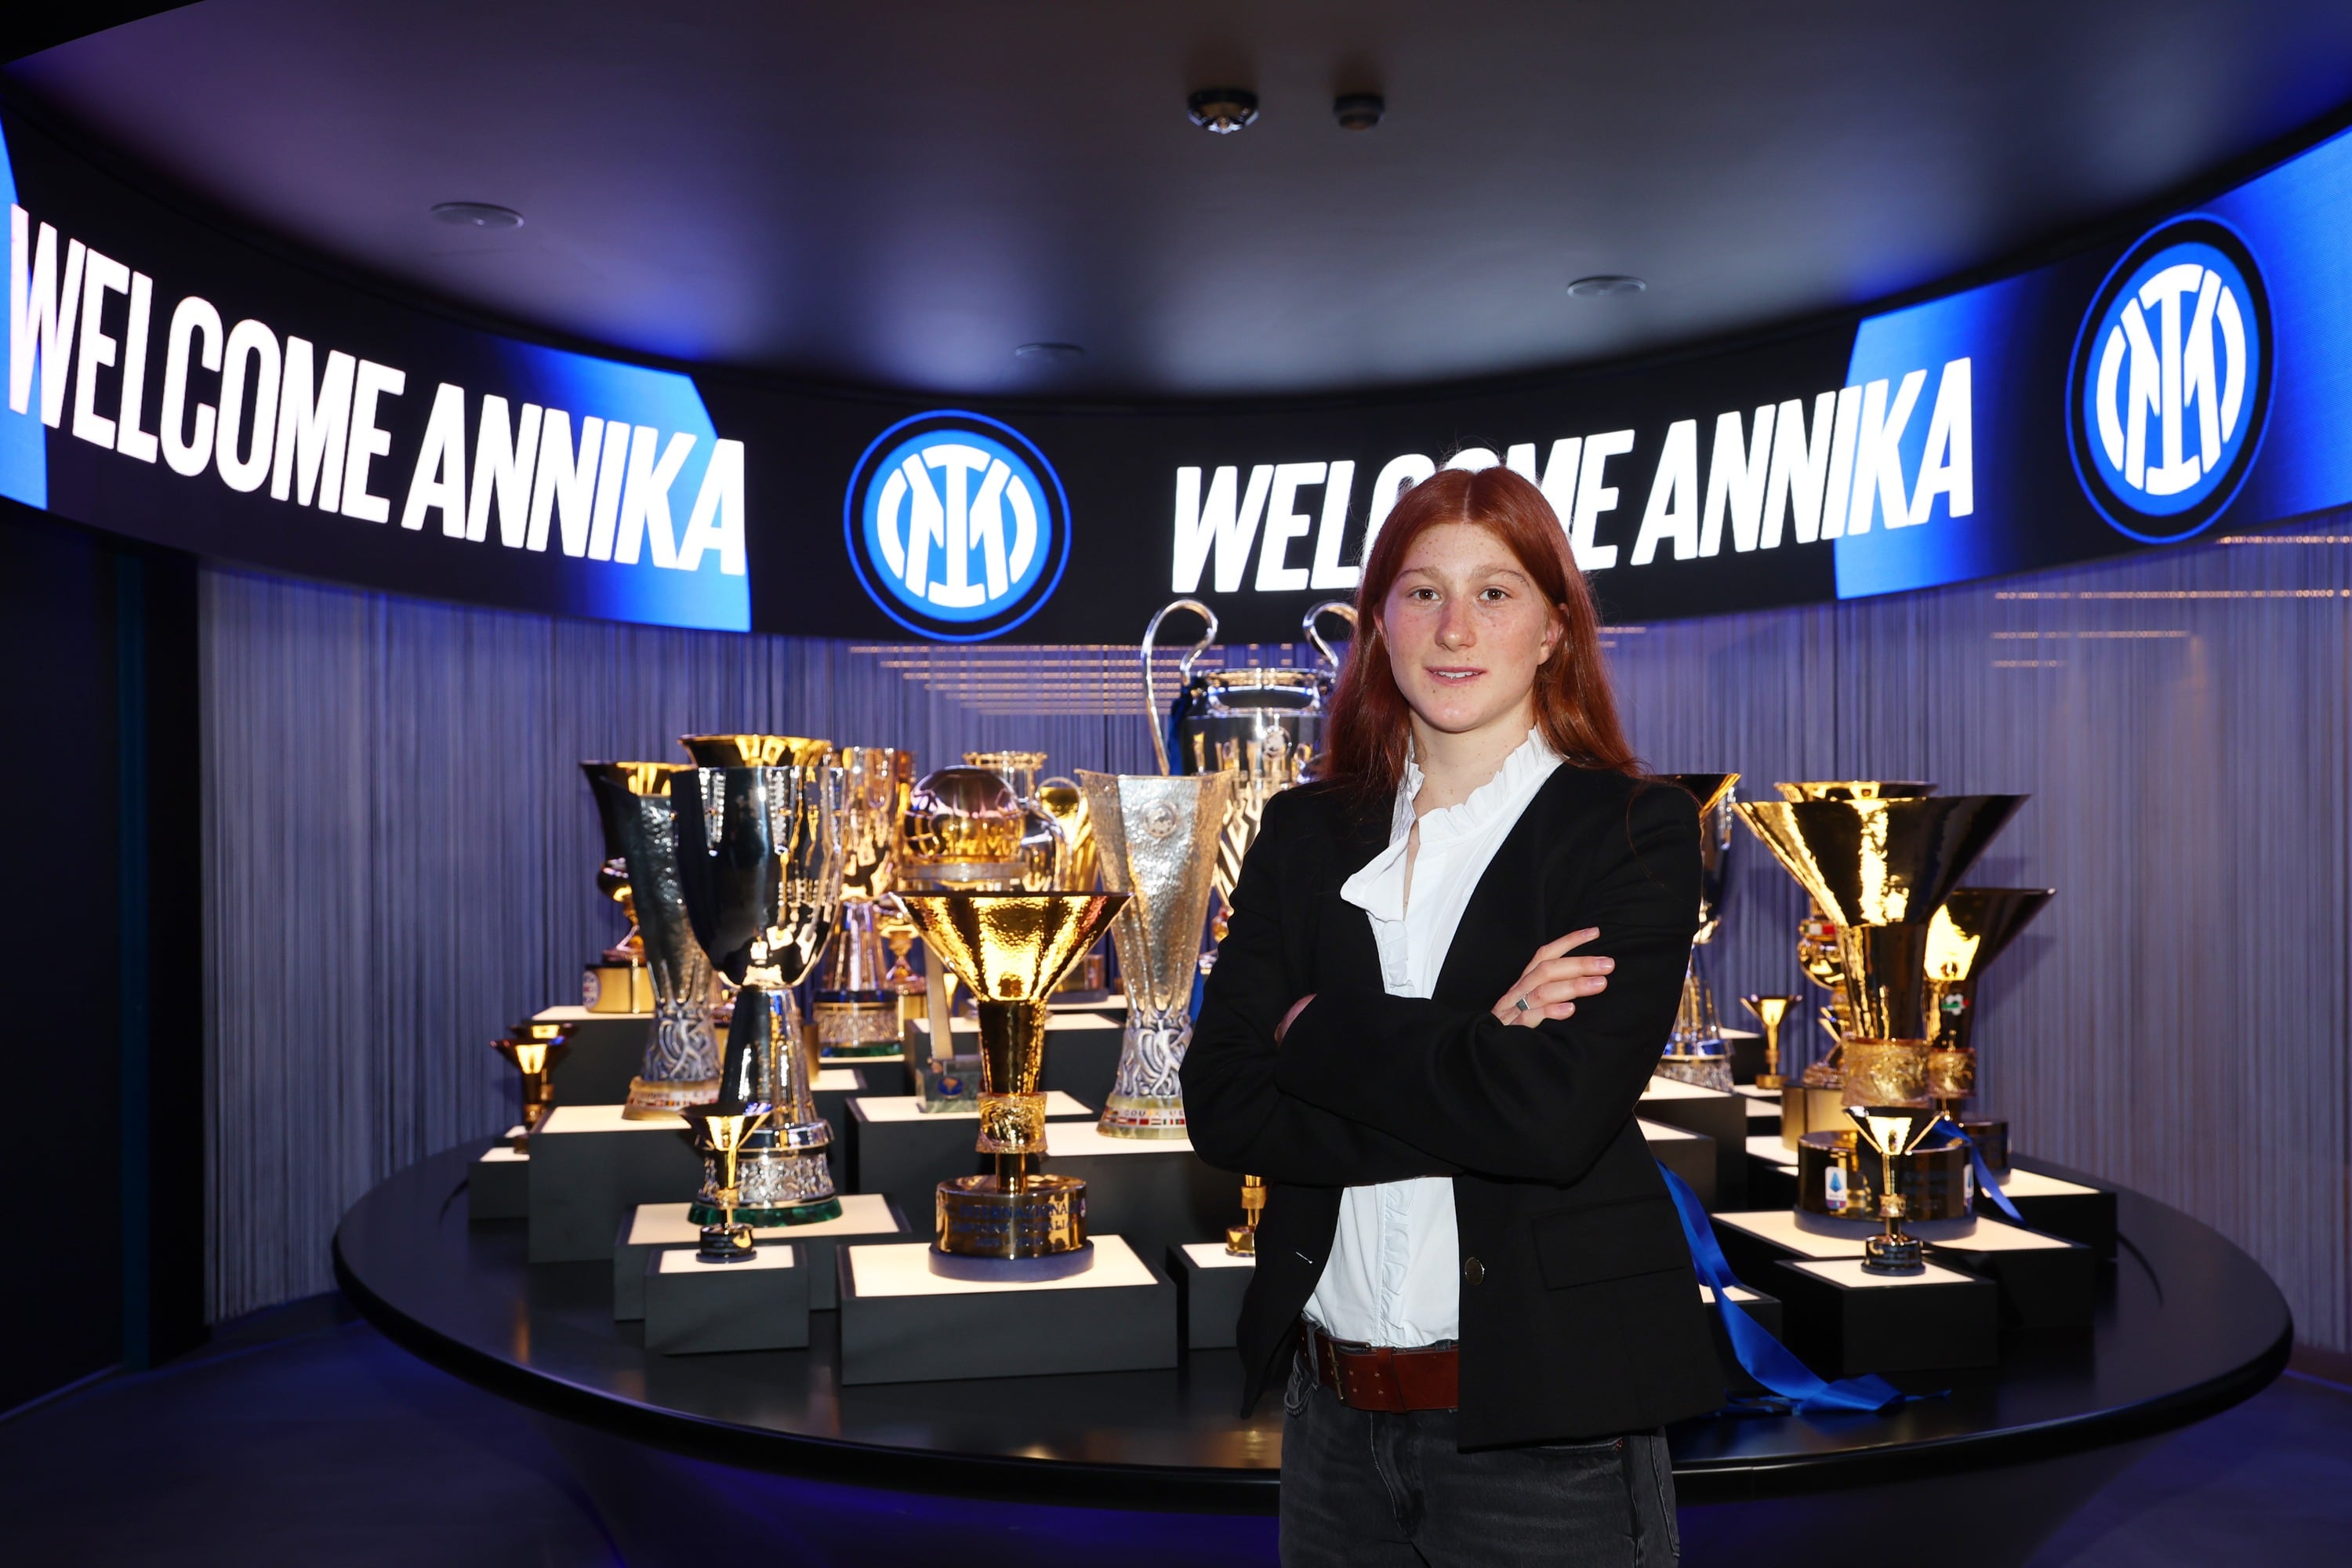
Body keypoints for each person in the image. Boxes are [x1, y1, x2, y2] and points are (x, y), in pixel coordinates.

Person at [1183, 464, 1721, 1566]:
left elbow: (1552, 1120)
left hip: (1547, 1437)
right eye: (1422, 591)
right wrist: (1479, 1049)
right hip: (1328, 1426)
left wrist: (1311, 1032)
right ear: (1378, 624)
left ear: (1554, 629)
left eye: (1497, 591)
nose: (1455, 626)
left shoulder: (1634, 831)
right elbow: (1224, 1105)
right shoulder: (1303, 832)